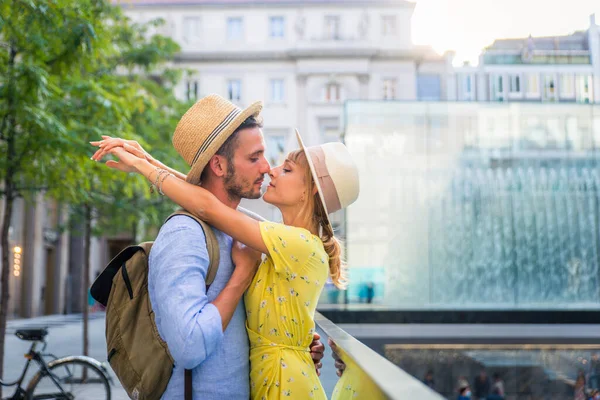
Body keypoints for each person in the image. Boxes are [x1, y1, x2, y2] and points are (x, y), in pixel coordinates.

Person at [92, 96, 360, 399]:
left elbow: (209, 205)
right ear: (218, 165)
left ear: (309, 190)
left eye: (284, 168)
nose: (269, 168)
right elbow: (207, 203)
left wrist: (293, 341)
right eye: (255, 157)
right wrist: (148, 163)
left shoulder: (272, 238)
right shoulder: (191, 233)